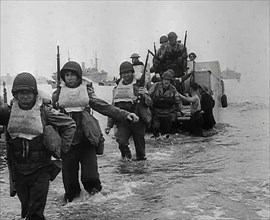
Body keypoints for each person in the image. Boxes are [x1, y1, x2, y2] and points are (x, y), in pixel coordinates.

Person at [52, 61, 139, 202]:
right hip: (67, 144)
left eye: (73, 75)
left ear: (79, 77)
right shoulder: (57, 95)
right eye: (67, 75)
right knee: (70, 186)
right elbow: (48, 115)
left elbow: (104, 107)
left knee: (91, 179)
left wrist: (124, 114)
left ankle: (95, 206)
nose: (70, 78)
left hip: (87, 140)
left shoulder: (86, 92)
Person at [0, 72, 76, 220]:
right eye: (20, 93)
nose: (25, 97)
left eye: (28, 93)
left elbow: (69, 124)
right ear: (15, 95)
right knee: (26, 207)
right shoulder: (9, 112)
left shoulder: (44, 111)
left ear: (35, 94)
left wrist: (62, 150)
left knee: (36, 211)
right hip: (19, 169)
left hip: (41, 168)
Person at [105, 61, 152, 161]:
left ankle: (140, 165)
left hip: (138, 119)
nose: (126, 75)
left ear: (132, 73)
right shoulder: (117, 88)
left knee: (140, 149)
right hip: (123, 120)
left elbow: (150, 103)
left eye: (128, 72)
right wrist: (109, 125)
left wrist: (144, 95)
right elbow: (113, 107)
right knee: (121, 141)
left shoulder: (139, 86)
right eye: (123, 73)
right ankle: (127, 160)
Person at [148, 69, 182, 138]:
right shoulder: (156, 86)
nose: (166, 81)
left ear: (170, 81)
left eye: (168, 80)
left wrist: (179, 110)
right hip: (156, 112)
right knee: (155, 128)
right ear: (162, 80)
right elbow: (148, 96)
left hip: (168, 113)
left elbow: (177, 101)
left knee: (166, 134)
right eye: (165, 79)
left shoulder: (173, 89)